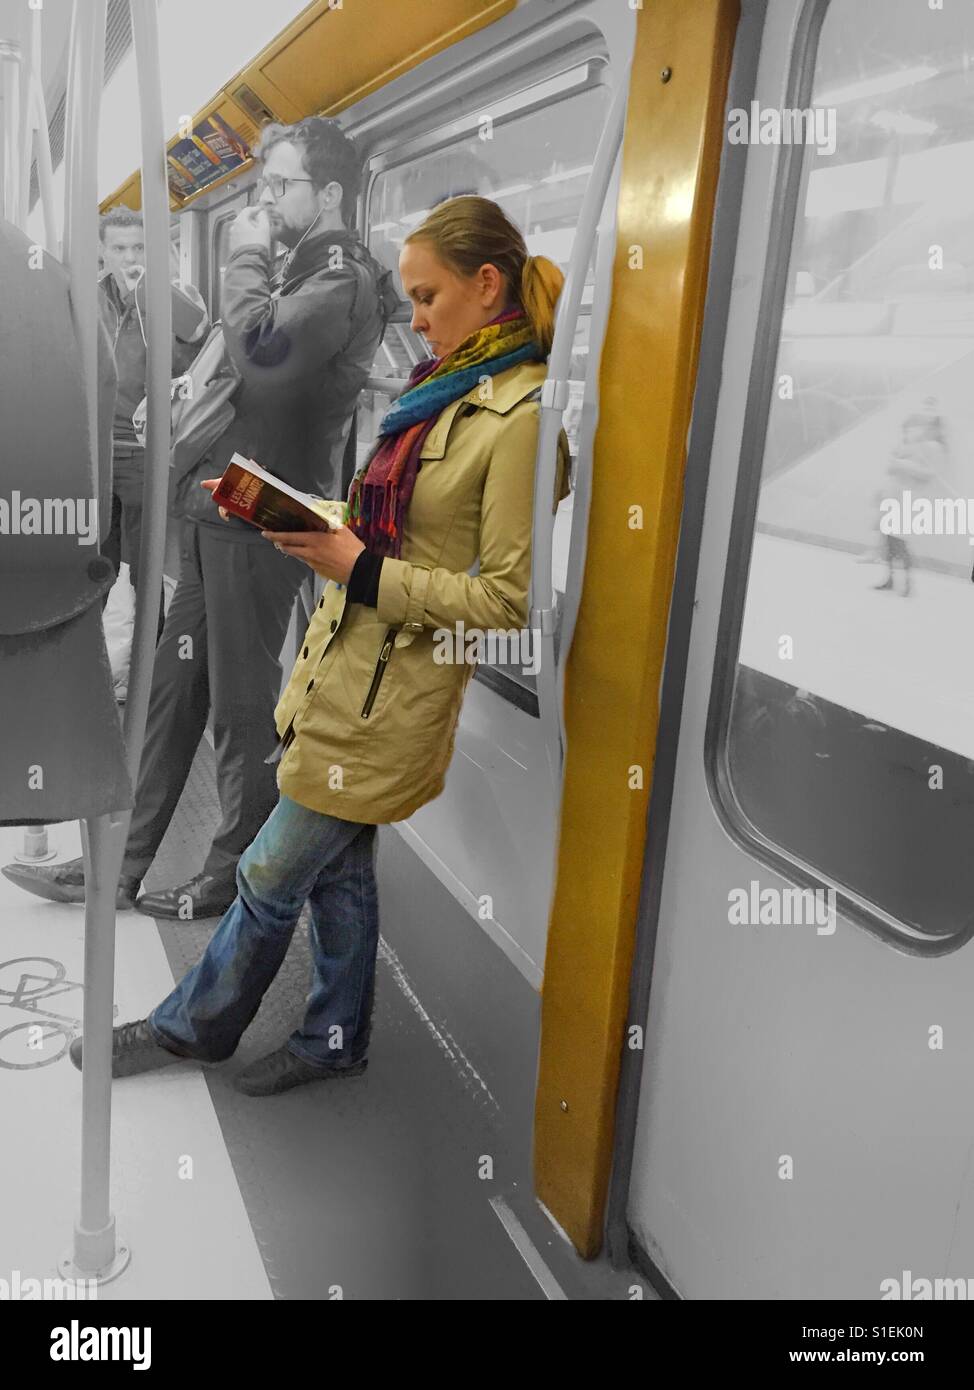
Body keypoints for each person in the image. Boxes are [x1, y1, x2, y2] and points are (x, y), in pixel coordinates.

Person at [67, 195, 571, 1095]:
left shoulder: (519, 418)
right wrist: (292, 511)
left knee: (269, 871)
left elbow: (503, 602)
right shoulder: (440, 395)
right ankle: (336, 1037)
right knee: (340, 874)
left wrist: (358, 567)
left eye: (427, 297)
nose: (414, 320)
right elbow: (390, 529)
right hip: (344, 670)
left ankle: (193, 1029)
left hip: (395, 696)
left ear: (487, 285)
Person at [4, 117, 397, 918]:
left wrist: (241, 254)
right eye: (263, 184)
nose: (266, 199)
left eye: (280, 184)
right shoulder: (301, 270)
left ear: (328, 193)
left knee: (242, 707)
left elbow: (264, 355)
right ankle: (118, 863)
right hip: (226, 503)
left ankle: (233, 871)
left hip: (269, 512)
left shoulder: (341, 279)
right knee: (171, 693)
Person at [98, 207, 209, 649]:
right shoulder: (88, 299)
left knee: (147, 569)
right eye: (120, 248)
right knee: (97, 564)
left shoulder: (172, 296)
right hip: (97, 454)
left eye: (139, 248)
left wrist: (152, 293)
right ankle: (95, 658)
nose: (130, 258)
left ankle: (152, 658)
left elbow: (198, 337)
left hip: (147, 454)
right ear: (103, 252)